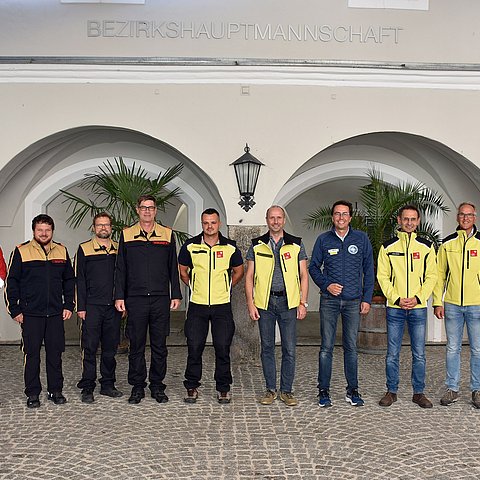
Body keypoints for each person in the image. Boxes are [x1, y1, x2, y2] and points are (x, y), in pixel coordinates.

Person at [115, 195, 182, 405]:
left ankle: (157, 386)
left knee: (160, 345)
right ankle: (137, 387)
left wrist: (176, 293)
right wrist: (120, 296)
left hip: (160, 298)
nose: (147, 211)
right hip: (135, 299)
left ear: (155, 211)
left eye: (151, 208)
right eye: (143, 207)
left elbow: (173, 267)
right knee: (136, 345)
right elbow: (121, 269)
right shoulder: (126, 235)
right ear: (137, 210)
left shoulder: (167, 234)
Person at [4, 214, 75, 408]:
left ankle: (55, 390)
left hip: (54, 314)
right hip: (30, 315)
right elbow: (11, 283)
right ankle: (33, 393)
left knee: (55, 354)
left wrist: (69, 305)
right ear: (34, 231)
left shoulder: (61, 251)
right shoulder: (21, 251)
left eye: (47, 230)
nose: (44, 233)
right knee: (32, 355)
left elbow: (70, 281)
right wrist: (15, 310)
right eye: (40, 230)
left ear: (52, 231)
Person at [309, 200, 374, 408]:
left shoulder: (361, 239)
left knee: (351, 347)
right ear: (332, 217)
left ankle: (352, 390)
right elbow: (313, 268)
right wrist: (327, 285)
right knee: (326, 347)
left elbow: (369, 271)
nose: (341, 218)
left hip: (354, 302)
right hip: (329, 301)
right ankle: (323, 390)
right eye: (337, 214)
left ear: (351, 217)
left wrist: (366, 298)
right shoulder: (323, 240)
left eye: (345, 214)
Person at [178, 208, 244, 404]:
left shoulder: (230, 247)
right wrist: (193, 285)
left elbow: (238, 271)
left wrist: (227, 286)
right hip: (197, 305)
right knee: (194, 345)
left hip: (222, 305)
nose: (209, 226)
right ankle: (192, 386)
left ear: (219, 224)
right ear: (202, 224)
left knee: (222, 346)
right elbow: (182, 270)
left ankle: (223, 388)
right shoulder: (190, 246)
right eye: (206, 223)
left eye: (213, 222)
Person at [245, 205, 309, 407]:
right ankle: (270, 389)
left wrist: (302, 302)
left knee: (289, 348)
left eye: (279, 218)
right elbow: (249, 277)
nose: (275, 221)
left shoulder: (296, 244)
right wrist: (250, 303)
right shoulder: (257, 245)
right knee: (267, 348)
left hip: (288, 303)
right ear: (267, 220)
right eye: (272, 218)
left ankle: (287, 391)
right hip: (265, 303)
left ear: (283, 220)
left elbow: (304, 276)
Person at [377, 205, 437, 408]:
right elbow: (382, 277)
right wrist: (396, 298)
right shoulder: (387, 247)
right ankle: (391, 391)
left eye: (413, 219)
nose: (409, 223)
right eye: (406, 219)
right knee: (392, 352)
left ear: (418, 221)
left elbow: (432, 276)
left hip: (418, 308)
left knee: (419, 353)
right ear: (399, 220)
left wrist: (418, 298)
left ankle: (418, 393)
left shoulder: (427, 247)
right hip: (395, 307)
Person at [433, 202, 480, 409]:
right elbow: (439, 275)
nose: (465, 218)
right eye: (462, 214)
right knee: (452, 348)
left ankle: (477, 390)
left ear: (475, 217)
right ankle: (452, 388)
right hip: (451, 304)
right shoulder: (447, 243)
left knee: (477, 349)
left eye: (469, 215)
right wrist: (437, 302)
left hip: (477, 304)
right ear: (457, 217)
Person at [75, 212, 123, 403]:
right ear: (94, 228)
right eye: (99, 225)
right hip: (92, 307)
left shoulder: (119, 249)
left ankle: (108, 384)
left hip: (113, 307)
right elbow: (79, 279)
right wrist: (81, 307)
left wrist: (122, 301)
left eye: (106, 225)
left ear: (111, 228)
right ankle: (87, 386)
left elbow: (123, 279)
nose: (103, 228)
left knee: (110, 348)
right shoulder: (84, 249)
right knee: (89, 347)